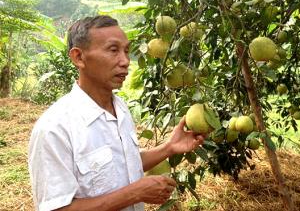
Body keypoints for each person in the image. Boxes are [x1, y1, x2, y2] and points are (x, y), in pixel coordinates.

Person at [28, 15, 205, 211]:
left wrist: (169, 147)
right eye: (113, 50)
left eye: (126, 51)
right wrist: (134, 194)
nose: (125, 61)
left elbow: (123, 163)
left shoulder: (120, 108)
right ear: (78, 57)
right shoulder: (54, 128)